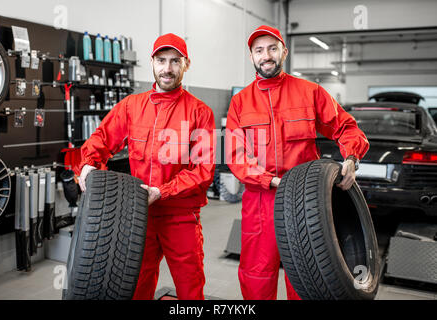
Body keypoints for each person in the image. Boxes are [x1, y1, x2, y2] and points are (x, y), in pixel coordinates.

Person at [225, 25, 369, 300]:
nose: (266, 55)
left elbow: (347, 128)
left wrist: (351, 157)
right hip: (260, 202)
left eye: (272, 48)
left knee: (306, 274)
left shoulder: (310, 92)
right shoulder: (240, 102)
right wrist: (269, 180)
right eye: (259, 50)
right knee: (257, 273)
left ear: (284, 51)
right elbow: (236, 157)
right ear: (252, 57)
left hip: (305, 203)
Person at [78, 33, 216, 300]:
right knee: (137, 284)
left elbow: (203, 170)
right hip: (138, 216)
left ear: (186, 64)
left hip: (180, 216)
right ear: (152, 62)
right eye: (161, 60)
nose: (167, 68)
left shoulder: (200, 112)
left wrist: (161, 192)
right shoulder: (131, 106)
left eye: (175, 61)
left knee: (190, 286)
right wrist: (87, 164)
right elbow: (101, 139)